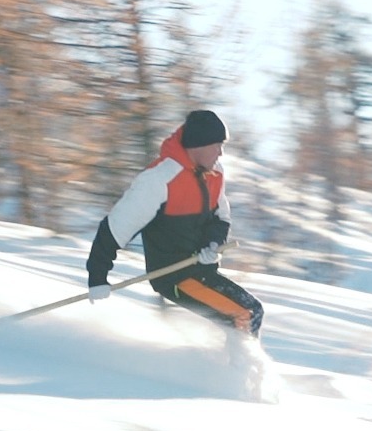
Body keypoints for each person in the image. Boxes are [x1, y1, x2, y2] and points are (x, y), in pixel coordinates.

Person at [86, 109, 264, 340]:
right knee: (245, 314)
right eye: (217, 145)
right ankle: (241, 371)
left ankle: (232, 368)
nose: (220, 153)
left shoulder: (214, 174)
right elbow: (114, 229)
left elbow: (221, 218)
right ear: (198, 145)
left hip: (201, 270)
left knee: (250, 312)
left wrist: (213, 244)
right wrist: (97, 278)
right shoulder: (160, 179)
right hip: (174, 276)